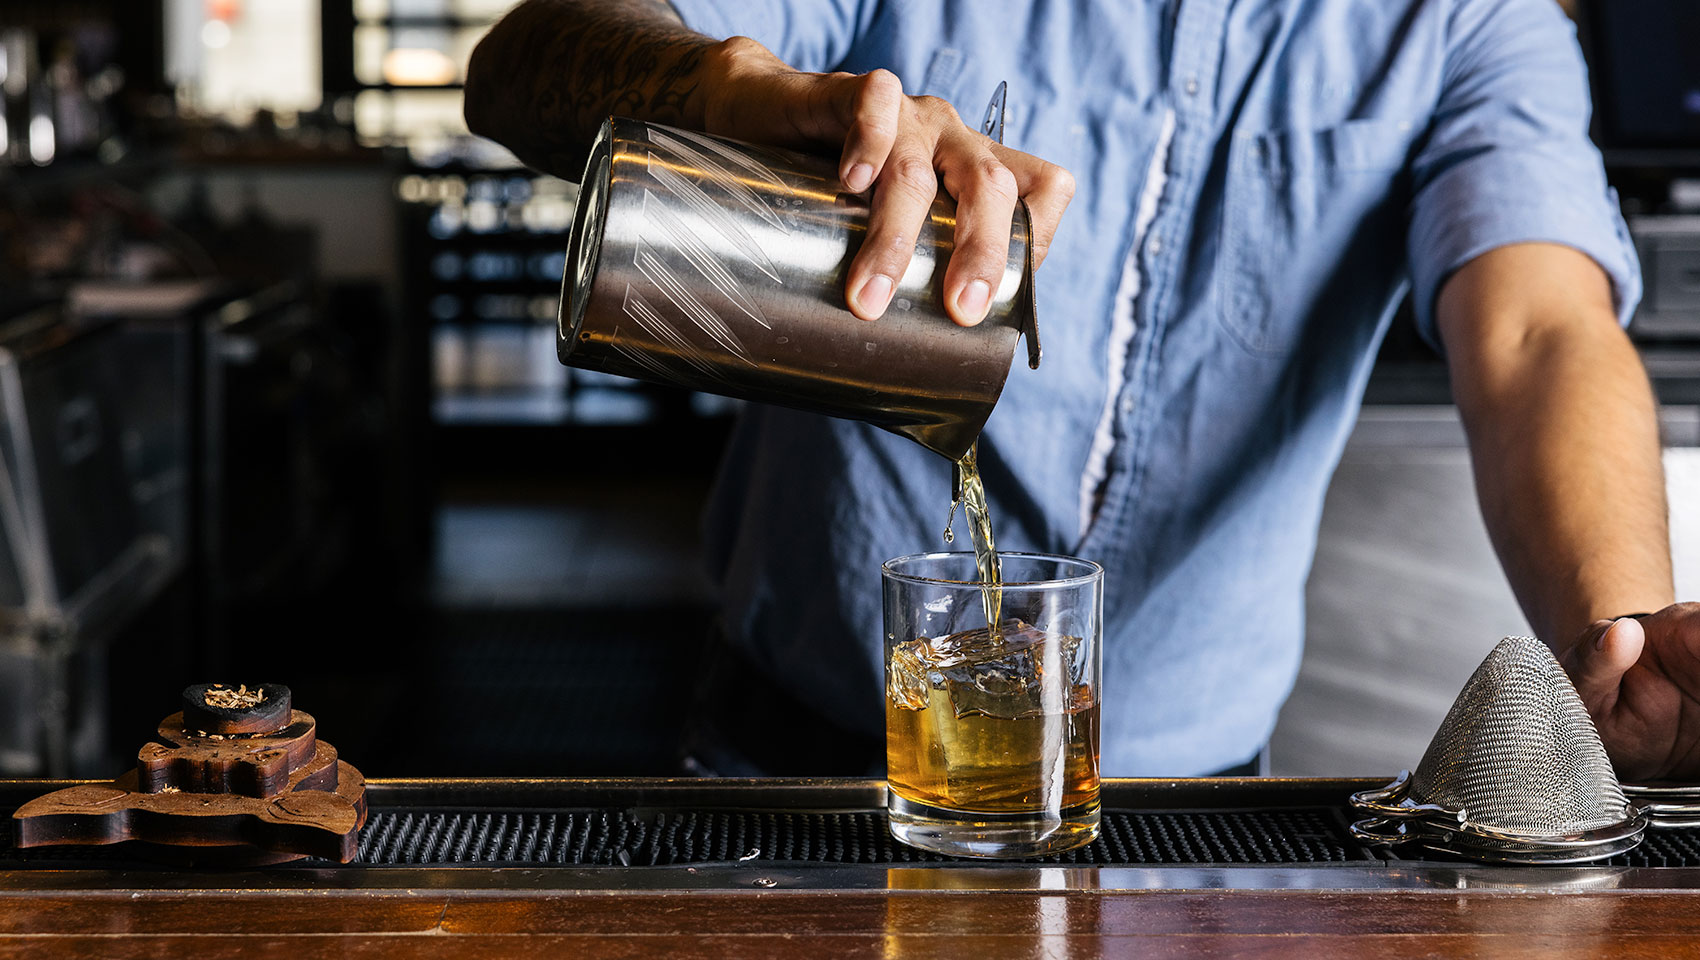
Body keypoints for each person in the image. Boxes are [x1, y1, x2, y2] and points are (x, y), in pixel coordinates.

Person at [464, 0, 1698, 779]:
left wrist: (1621, 650)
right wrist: (723, 91)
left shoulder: (1467, 24)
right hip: (787, 764)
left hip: (1190, 816)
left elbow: (1539, 331)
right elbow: (517, 65)